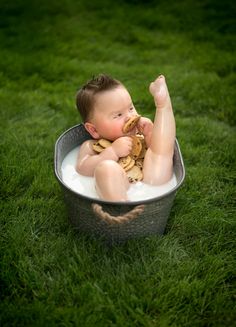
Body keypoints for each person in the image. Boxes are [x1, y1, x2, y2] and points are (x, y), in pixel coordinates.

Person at [75, 74, 176, 202]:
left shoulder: (139, 135)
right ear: (94, 130)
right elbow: (82, 168)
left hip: (152, 184)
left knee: (160, 153)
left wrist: (150, 134)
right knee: (107, 169)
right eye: (118, 115)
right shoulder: (91, 146)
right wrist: (112, 152)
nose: (130, 117)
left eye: (131, 108)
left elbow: (156, 152)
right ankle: (121, 208)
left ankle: (163, 105)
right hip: (124, 192)